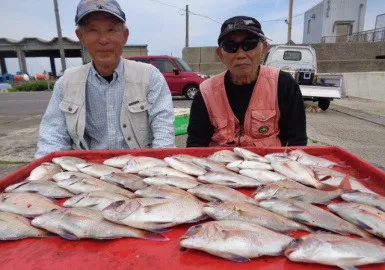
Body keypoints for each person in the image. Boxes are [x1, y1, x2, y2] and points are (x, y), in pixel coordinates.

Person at [35, 0, 175, 158]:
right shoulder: (66, 83)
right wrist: (46, 169)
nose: (103, 40)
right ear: (81, 37)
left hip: (139, 169)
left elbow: (164, 135)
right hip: (85, 173)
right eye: (93, 30)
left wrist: (158, 171)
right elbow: (52, 138)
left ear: (125, 36)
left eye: (112, 29)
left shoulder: (150, 76)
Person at [187, 16, 307, 147]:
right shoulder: (206, 92)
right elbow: (196, 144)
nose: (240, 54)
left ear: (264, 49)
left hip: (270, 165)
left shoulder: (283, 84)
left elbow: (296, 141)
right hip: (219, 165)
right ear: (221, 55)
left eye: (249, 44)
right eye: (230, 46)